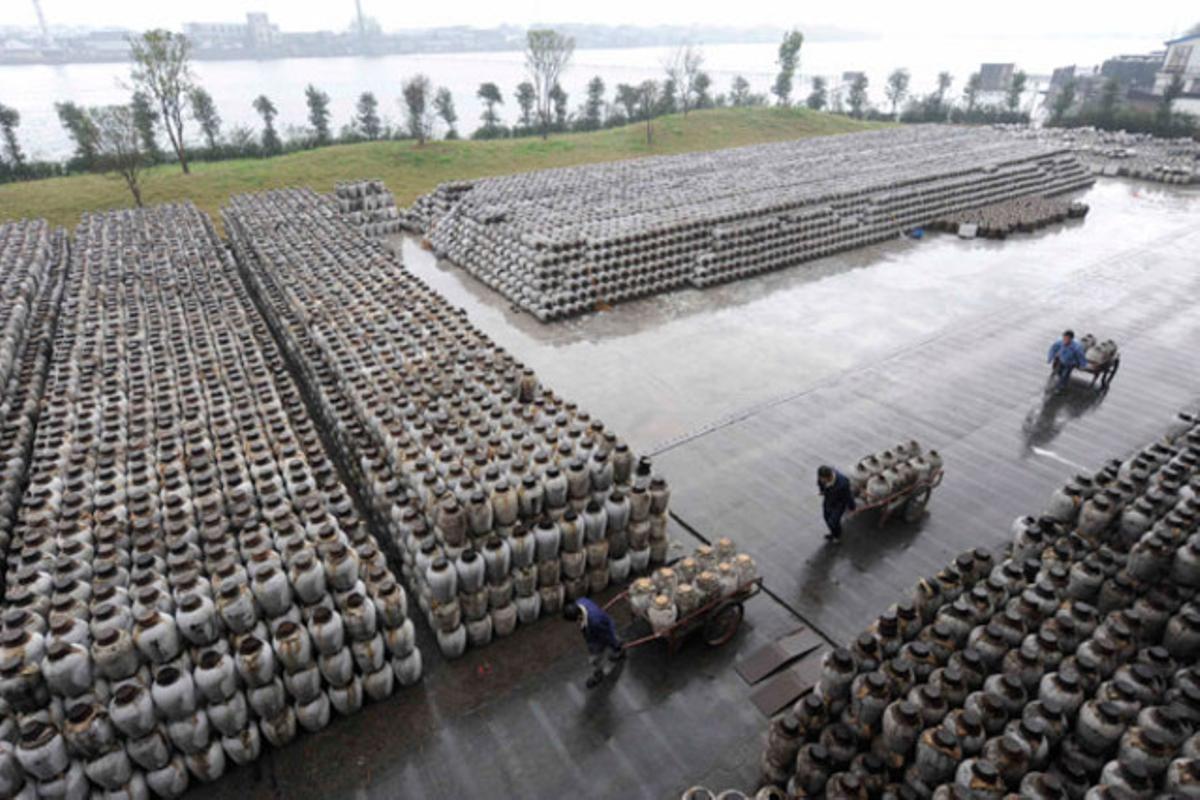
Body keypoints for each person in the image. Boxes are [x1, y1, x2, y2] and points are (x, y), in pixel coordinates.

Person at [563, 598, 624, 688]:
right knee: (612, 638)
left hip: (598, 634)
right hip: (601, 625)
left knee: (595, 659)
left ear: (579, 617)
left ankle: (599, 673)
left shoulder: (595, 621)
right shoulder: (581, 601)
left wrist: (615, 644)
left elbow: (606, 634)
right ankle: (618, 648)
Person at [817, 465, 856, 542]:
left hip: (839, 504)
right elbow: (820, 483)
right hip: (828, 500)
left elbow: (848, 496)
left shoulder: (843, 483)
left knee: (833, 522)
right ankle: (833, 532)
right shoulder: (821, 478)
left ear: (829, 477)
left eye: (822, 479)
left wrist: (852, 508)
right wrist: (822, 491)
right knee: (826, 518)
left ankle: (837, 535)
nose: (820, 480)